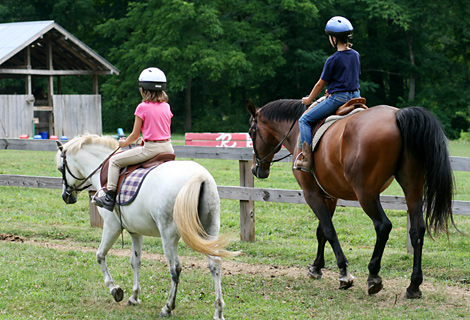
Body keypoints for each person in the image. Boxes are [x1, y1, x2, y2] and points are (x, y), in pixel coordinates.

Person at [93, 67, 174, 211]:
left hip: (150, 149)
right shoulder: (166, 106)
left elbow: (134, 135)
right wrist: (148, 136)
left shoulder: (142, 107)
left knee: (114, 161)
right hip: (168, 147)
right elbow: (163, 129)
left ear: (143, 89)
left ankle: (109, 197)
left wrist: (124, 143)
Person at [294, 16, 361, 172]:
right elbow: (351, 76)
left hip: (339, 98)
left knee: (304, 120)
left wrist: (309, 99)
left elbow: (320, 84)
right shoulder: (356, 55)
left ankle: (306, 158)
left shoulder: (333, 59)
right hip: (356, 96)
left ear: (334, 39)